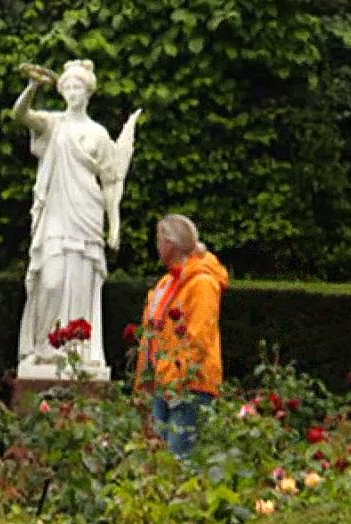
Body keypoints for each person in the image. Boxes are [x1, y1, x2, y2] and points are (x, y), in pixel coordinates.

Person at [12, 59, 141, 373]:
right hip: (56, 213)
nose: (71, 92)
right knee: (51, 281)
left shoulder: (98, 133)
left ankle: (77, 352)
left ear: (88, 92)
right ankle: (43, 347)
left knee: (82, 284)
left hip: (87, 211)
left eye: (77, 87)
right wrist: (32, 87)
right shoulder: (53, 124)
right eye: (67, 87)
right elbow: (20, 114)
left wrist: (114, 227)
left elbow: (111, 182)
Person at [134, 214, 229, 461]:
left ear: (170, 244)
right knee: (157, 465)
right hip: (163, 385)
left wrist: (176, 379)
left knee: (179, 464)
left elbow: (199, 337)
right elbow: (151, 338)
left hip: (188, 387)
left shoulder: (202, 284)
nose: (157, 246)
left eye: (159, 240)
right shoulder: (168, 282)